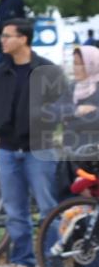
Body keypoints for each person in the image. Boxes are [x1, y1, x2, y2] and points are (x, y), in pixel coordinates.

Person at [0, 18, 63, 267]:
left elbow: (61, 106)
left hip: (39, 148)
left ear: (23, 38)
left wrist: (43, 122)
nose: (2, 40)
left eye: (8, 35)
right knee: (14, 209)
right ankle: (23, 263)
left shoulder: (47, 70)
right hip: (8, 149)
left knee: (48, 208)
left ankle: (53, 264)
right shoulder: (2, 70)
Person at [45, 45, 99, 198]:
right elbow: (54, 112)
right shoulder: (73, 88)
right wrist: (76, 111)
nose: (76, 68)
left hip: (93, 159)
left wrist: (72, 120)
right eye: (74, 63)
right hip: (71, 158)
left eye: (80, 64)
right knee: (69, 204)